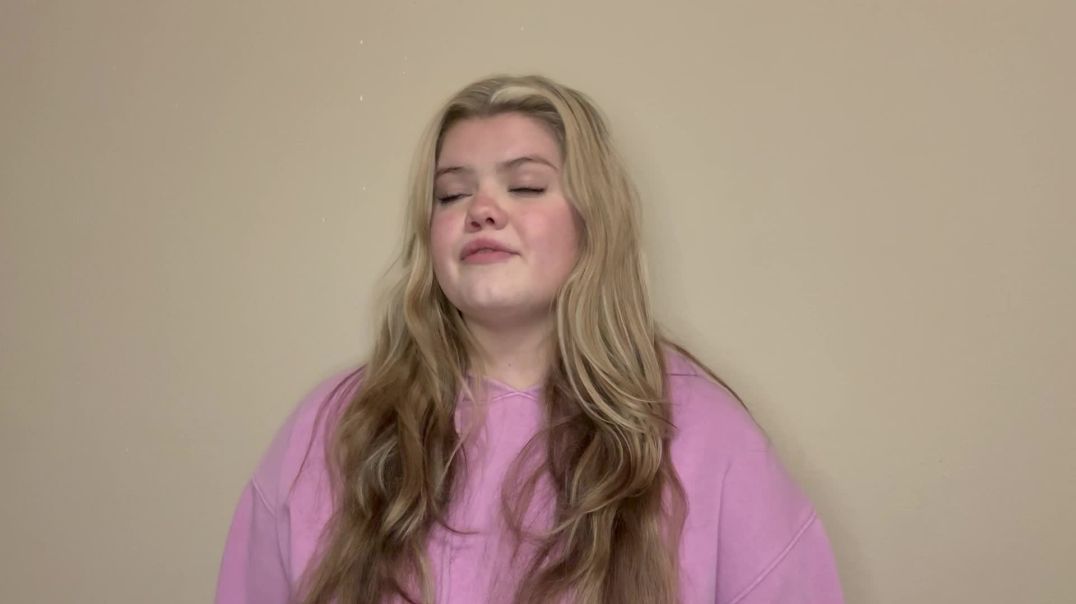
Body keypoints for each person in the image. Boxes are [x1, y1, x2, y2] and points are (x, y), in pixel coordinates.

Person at [214, 74, 844, 604]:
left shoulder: (706, 436)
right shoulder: (331, 430)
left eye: (525, 186)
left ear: (592, 223)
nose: (481, 210)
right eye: (451, 194)